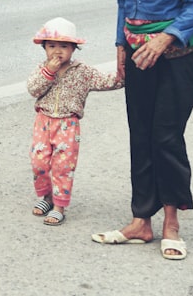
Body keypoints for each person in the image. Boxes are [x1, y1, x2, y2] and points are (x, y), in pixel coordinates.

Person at [91, 0, 193, 260]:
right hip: (137, 56)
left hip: (175, 58)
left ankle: (171, 224)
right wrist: (120, 47)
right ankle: (141, 220)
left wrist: (164, 38)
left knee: (166, 137)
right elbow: (123, 4)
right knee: (139, 135)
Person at [27, 17, 123, 226]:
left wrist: (124, 73)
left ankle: (59, 206)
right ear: (44, 48)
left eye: (64, 46)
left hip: (68, 124)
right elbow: (33, 89)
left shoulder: (83, 71)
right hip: (43, 121)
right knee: (39, 162)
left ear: (74, 48)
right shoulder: (42, 68)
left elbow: (107, 82)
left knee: (63, 166)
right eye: (52, 46)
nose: (57, 51)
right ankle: (47, 197)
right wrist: (49, 73)